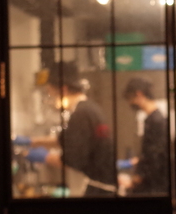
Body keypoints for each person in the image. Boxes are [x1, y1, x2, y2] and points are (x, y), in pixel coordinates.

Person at [19, 60, 117, 197]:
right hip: (103, 185)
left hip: (100, 189)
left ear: (63, 90)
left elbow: (73, 159)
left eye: (51, 94)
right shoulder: (89, 109)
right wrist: (30, 141)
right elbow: (65, 141)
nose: (52, 99)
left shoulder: (80, 114)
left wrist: (44, 157)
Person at [123, 77, 169, 195]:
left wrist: (139, 176)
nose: (130, 103)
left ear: (139, 94)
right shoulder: (153, 119)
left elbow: (155, 155)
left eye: (130, 98)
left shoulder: (156, 121)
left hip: (154, 185)